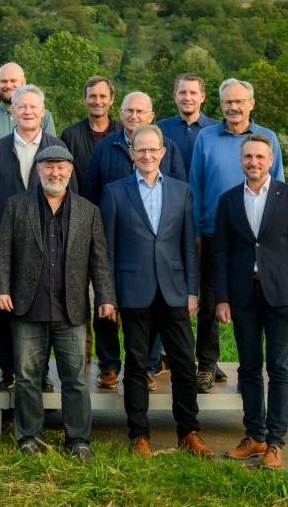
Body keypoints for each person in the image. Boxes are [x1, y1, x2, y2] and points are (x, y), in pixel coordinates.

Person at [0, 145, 115, 463]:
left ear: (71, 171)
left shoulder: (89, 211)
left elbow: (100, 260)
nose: (55, 172)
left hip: (70, 309)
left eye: (61, 167)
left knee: (74, 377)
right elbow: (3, 252)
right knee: (27, 375)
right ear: (38, 170)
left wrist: (105, 297)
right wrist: (1, 289)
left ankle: (78, 439)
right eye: (48, 166)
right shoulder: (16, 206)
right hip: (27, 307)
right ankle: (29, 436)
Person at [99, 125, 213, 458]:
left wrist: (192, 290)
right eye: (140, 150)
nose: (147, 155)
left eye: (153, 150)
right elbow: (108, 251)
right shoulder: (115, 192)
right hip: (133, 291)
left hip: (175, 290)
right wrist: (110, 296)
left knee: (183, 364)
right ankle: (139, 436)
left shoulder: (181, 191)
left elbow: (189, 247)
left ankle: (188, 432)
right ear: (131, 153)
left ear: (163, 153)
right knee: (136, 365)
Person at [215, 134, 288, 471]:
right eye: (248, 157)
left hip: (282, 296)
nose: (253, 162)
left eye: (260, 157)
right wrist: (222, 298)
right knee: (249, 369)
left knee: (280, 369)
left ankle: (275, 442)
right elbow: (222, 253)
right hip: (242, 296)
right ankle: (254, 436)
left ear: (270, 160)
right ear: (241, 162)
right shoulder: (228, 200)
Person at [82, 91, 184, 390]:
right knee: (105, 302)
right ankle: (109, 366)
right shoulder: (106, 148)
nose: (134, 116)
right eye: (129, 111)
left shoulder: (169, 150)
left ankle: (148, 366)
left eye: (141, 111)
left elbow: (179, 192)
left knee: (151, 305)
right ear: (121, 113)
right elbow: (90, 191)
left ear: (152, 116)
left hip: (152, 243)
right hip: (110, 237)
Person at [189, 78, 284, 394]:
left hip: (256, 235)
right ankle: (206, 365)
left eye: (239, 101)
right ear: (220, 104)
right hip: (214, 231)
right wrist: (198, 230)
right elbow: (196, 186)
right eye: (228, 101)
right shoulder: (206, 137)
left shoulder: (267, 138)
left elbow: (279, 190)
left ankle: (251, 370)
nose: (233, 106)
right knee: (211, 301)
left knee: (255, 301)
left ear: (251, 104)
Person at [0, 84, 73, 390]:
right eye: (22, 107)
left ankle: (41, 372)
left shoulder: (57, 149)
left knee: (43, 308)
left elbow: (72, 197)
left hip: (48, 242)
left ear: (43, 112)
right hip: (4, 242)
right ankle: (8, 371)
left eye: (34, 107)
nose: (28, 112)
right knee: (5, 307)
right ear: (13, 111)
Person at [0, 62, 56, 148]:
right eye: (3, 81)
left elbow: (52, 151)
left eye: (13, 81)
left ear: (23, 83)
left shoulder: (43, 116)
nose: (8, 85)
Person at [59, 75, 121, 187]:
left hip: (116, 202)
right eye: (92, 96)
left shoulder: (123, 133)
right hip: (81, 202)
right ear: (84, 99)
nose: (97, 101)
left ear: (111, 100)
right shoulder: (70, 135)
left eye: (103, 96)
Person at [156, 73, 219, 175]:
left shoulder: (217, 129)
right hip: (171, 190)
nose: (187, 98)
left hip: (205, 190)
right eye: (182, 93)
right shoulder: (160, 129)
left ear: (202, 97)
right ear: (175, 96)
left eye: (193, 93)